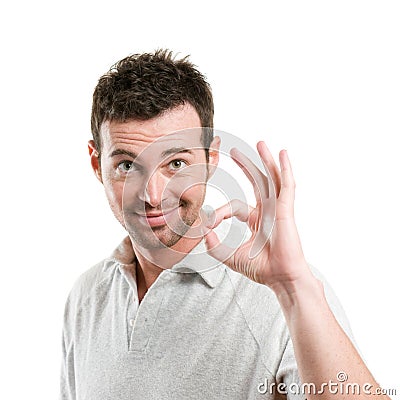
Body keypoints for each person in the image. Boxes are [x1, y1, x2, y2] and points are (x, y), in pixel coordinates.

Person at [60, 49, 390, 400]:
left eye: (175, 164)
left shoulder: (282, 295)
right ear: (97, 165)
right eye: (127, 166)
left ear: (210, 158)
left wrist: (294, 289)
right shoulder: (87, 296)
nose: (154, 196)